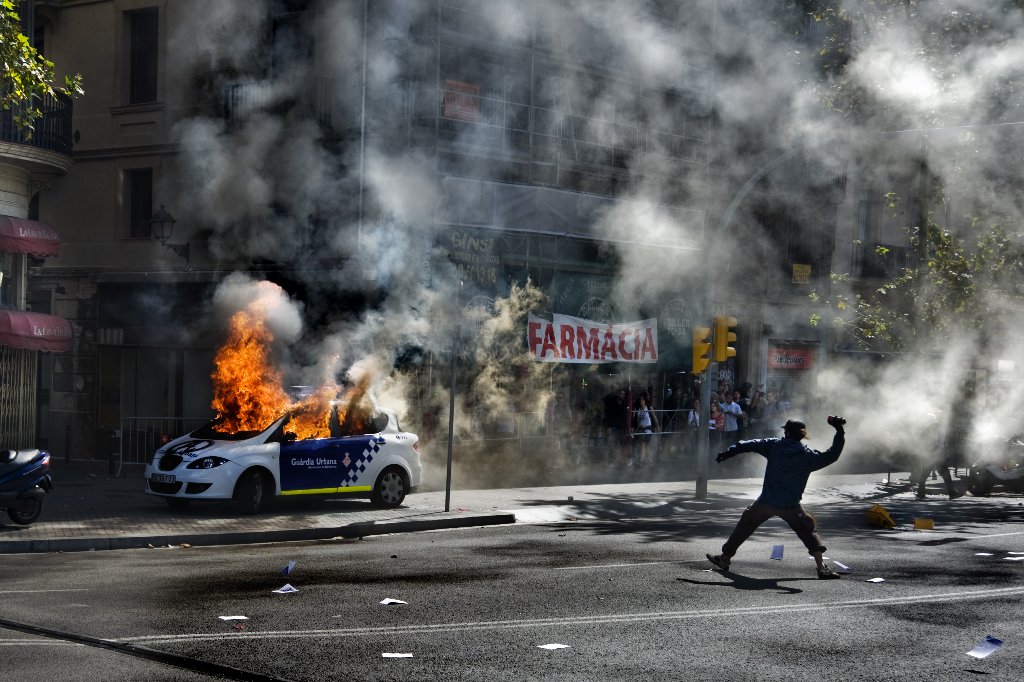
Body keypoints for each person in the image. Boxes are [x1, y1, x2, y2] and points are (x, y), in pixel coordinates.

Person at [705, 416, 847, 580]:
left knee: (745, 525)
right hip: (791, 506)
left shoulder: (774, 445)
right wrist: (839, 431)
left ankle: (724, 558)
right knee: (808, 531)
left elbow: (747, 444)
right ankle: (821, 568)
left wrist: (728, 453)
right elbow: (832, 455)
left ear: (786, 433)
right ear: (802, 434)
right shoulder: (807, 456)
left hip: (766, 503)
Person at [632, 394, 659, 466]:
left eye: (643, 399)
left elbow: (654, 417)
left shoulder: (649, 408)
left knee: (643, 443)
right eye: (640, 399)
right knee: (646, 445)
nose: (641, 401)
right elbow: (634, 420)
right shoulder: (637, 409)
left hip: (648, 428)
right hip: (641, 429)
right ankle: (650, 461)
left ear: (645, 401)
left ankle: (641, 461)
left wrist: (657, 426)